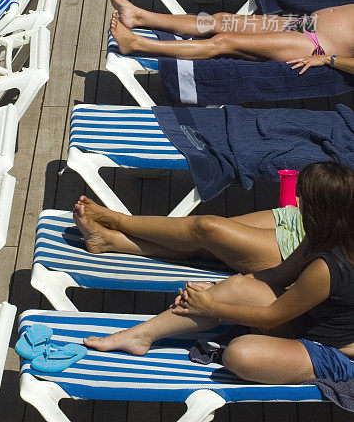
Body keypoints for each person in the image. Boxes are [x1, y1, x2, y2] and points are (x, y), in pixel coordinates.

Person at [84, 162, 354, 392]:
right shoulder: (321, 238)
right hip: (307, 322)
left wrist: (211, 306)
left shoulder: (327, 268)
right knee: (237, 286)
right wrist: (217, 289)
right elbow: (277, 275)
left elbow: (273, 316)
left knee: (239, 354)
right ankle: (137, 336)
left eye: (302, 199)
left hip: (332, 350)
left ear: (322, 212)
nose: (295, 202)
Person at [108, 0, 354, 64]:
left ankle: (137, 44)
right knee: (221, 20)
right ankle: (140, 16)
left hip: (314, 44)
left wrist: (328, 60)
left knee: (223, 42)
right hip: (307, 24)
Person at [74, 195, 305, 273]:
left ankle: (120, 220)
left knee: (206, 229)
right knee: (205, 243)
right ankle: (109, 241)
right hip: (304, 218)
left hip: (311, 244)